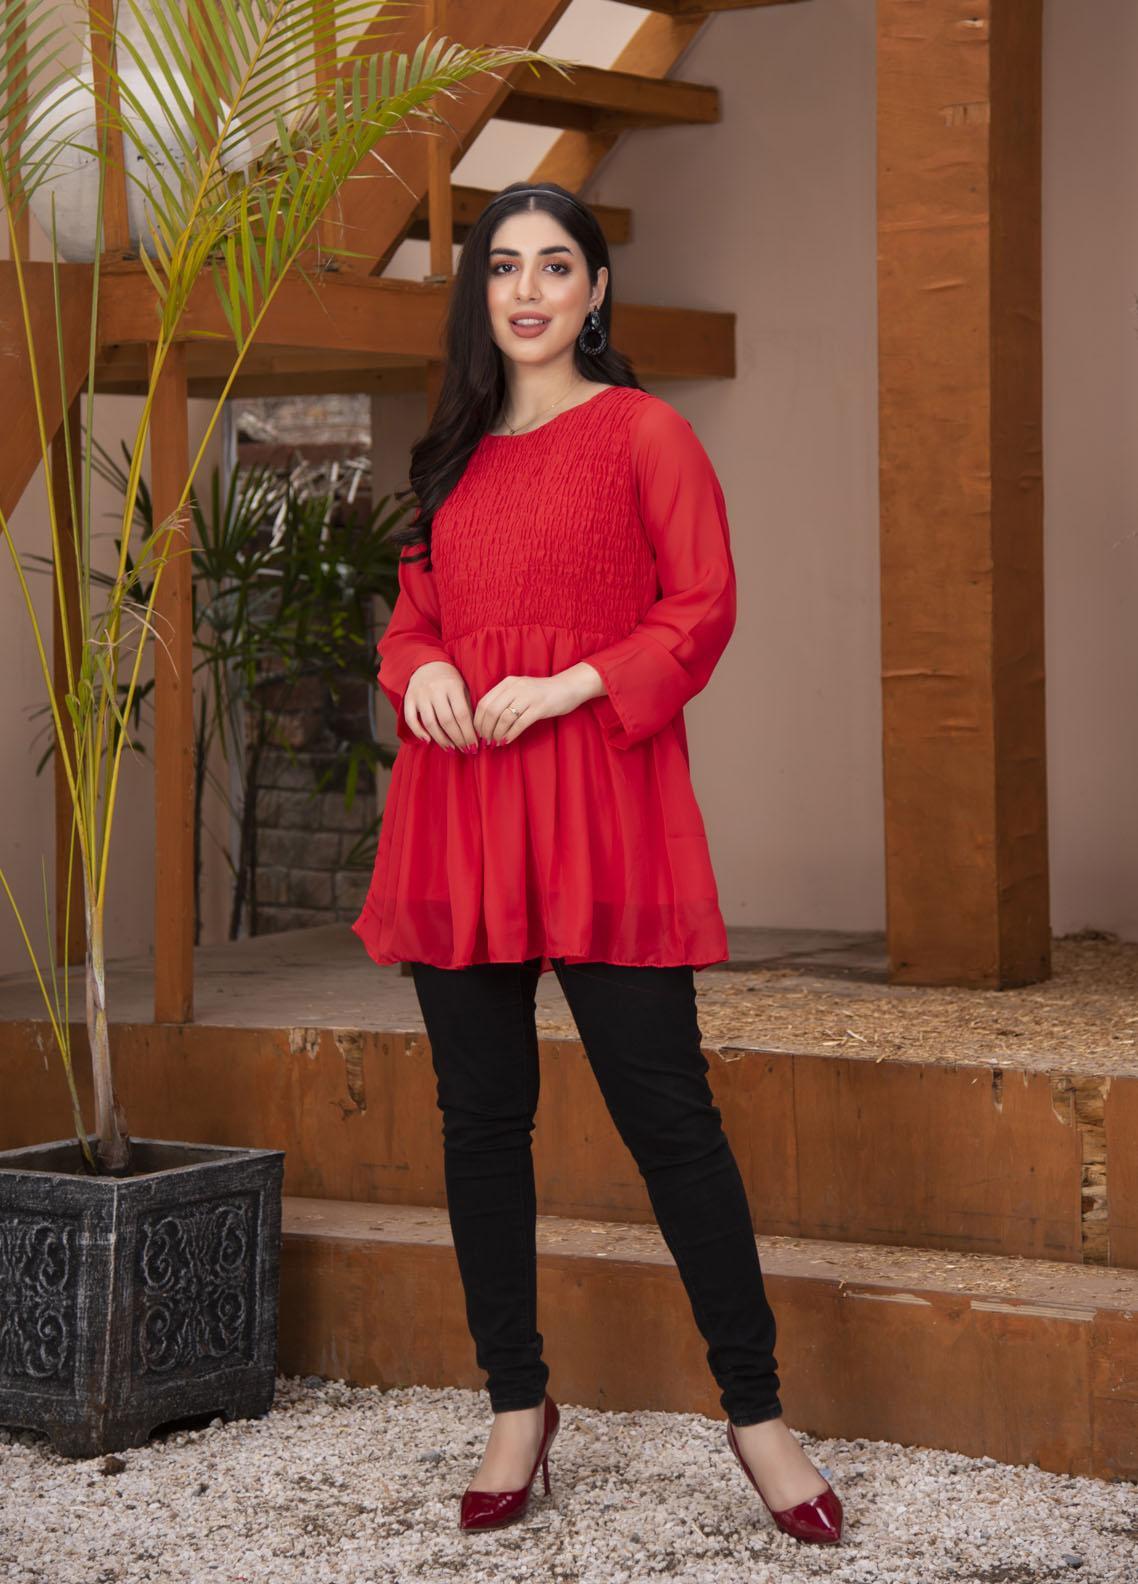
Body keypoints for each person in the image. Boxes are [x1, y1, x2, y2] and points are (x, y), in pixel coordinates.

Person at [351, 181, 843, 1546]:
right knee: (479, 1122)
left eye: (555, 265)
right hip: (461, 809)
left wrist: (573, 683)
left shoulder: (645, 433)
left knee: (670, 1121)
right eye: (504, 266)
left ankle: (758, 1419)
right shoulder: (449, 453)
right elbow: (411, 622)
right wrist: (419, 671)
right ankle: (517, 1405)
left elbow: (703, 607)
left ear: (596, 289)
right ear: (482, 292)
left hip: (599, 801)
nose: (527, 290)